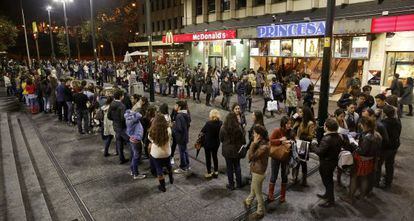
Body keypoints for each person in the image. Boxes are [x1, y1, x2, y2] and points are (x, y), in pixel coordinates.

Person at [342, 116, 382, 204]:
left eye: (362, 125)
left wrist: (353, 144)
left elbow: (362, 151)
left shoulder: (367, 137)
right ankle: (362, 196)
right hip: (370, 160)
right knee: (364, 178)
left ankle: (350, 198)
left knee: (353, 178)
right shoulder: (377, 135)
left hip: (360, 160)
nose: (360, 126)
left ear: (366, 125)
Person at [312, 118, 344, 207]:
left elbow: (319, 152)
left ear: (326, 127)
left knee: (327, 181)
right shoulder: (339, 136)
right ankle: (328, 195)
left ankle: (331, 201)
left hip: (326, 163)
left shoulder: (327, 138)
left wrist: (314, 144)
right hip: (333, 162)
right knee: (329, 180)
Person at [244, 125, 269, 220]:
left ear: (259, 135)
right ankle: (248, 201)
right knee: (253, 189)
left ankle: (260, 212)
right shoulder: (263, 143)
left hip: (258, 172)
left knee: (258, 193)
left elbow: (250, 157)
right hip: (257, 170)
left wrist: (253, 143)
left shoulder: (263, 147)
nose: (253, 134)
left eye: (254, 133)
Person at [268, 116, 294, 203]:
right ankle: (270, 194)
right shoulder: (277, 131)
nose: (289, 125)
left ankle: (283, 196)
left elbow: (294, 141)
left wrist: (291, 142)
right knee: (274, 175)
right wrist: (280, 140)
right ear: (283, 124)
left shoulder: (291, 132)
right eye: (288, 123)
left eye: (290, 123)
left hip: (286, 157)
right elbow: (271, 141)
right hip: (276, 156)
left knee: (284, 176)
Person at [376, 105, 402, 189]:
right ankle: (388, 182)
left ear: (384, 113)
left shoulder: (382, 124)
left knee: (378, 165)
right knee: (390, 164)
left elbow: (381, 138)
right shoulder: (398, 121)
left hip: (385, 148)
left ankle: (376, 182)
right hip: (394, 146)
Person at [220, 112, 246, 190]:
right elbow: (243, 140)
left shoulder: (223, 128)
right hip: (236, 150)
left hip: (227, 151)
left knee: (229, 167)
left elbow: (221, 139)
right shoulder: (238, 128)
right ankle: (239, 183)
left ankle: (231, 185)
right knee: (237, 166)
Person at [148, 114, 174, 192]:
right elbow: (170, 139)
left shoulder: (152, 130)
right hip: (167, 152)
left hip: (156, 154)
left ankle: (163, 187)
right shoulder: (168, 129)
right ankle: (171, 179)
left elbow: (150, 139)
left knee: (159, 169)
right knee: (169, 166)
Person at [107, 90, 129, 164]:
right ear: (120, 96)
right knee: (130, 142)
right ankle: (134, 158)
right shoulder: (122, 106)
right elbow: (123, 118)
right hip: (122, 127)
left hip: (115, 126)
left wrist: (115, 120)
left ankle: (121, 158)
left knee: (119, 143)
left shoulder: (112, 104)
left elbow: (108, 116)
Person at [200, 109, 222, 178]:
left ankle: (209, 172)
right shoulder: (221, 123)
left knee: (208, 158)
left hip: (208, 143)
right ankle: (216, 171)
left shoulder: (208, 123)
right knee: (215, 156)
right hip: (216, 143)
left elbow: (202, 131)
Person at [124, 109, 146, 180]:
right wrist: (134, 112)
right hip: (136, 140)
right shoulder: (133, 119)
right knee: (136, 157)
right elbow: (140, 115)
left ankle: (132, 171)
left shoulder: (128, 118)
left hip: (132, 139)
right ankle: (136, 174)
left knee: (134, 156)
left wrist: (132, 112)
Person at [173, 100, 192, 174]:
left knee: (182, 152)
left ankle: (183, 167)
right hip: (185, 135)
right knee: (185, 151)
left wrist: (173, 126)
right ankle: (187, 165)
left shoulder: (179, 116)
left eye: (176, 105)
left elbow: (179, 128)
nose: (175, 106)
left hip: (180, 137)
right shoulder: (186, 114)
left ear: (179, 107)